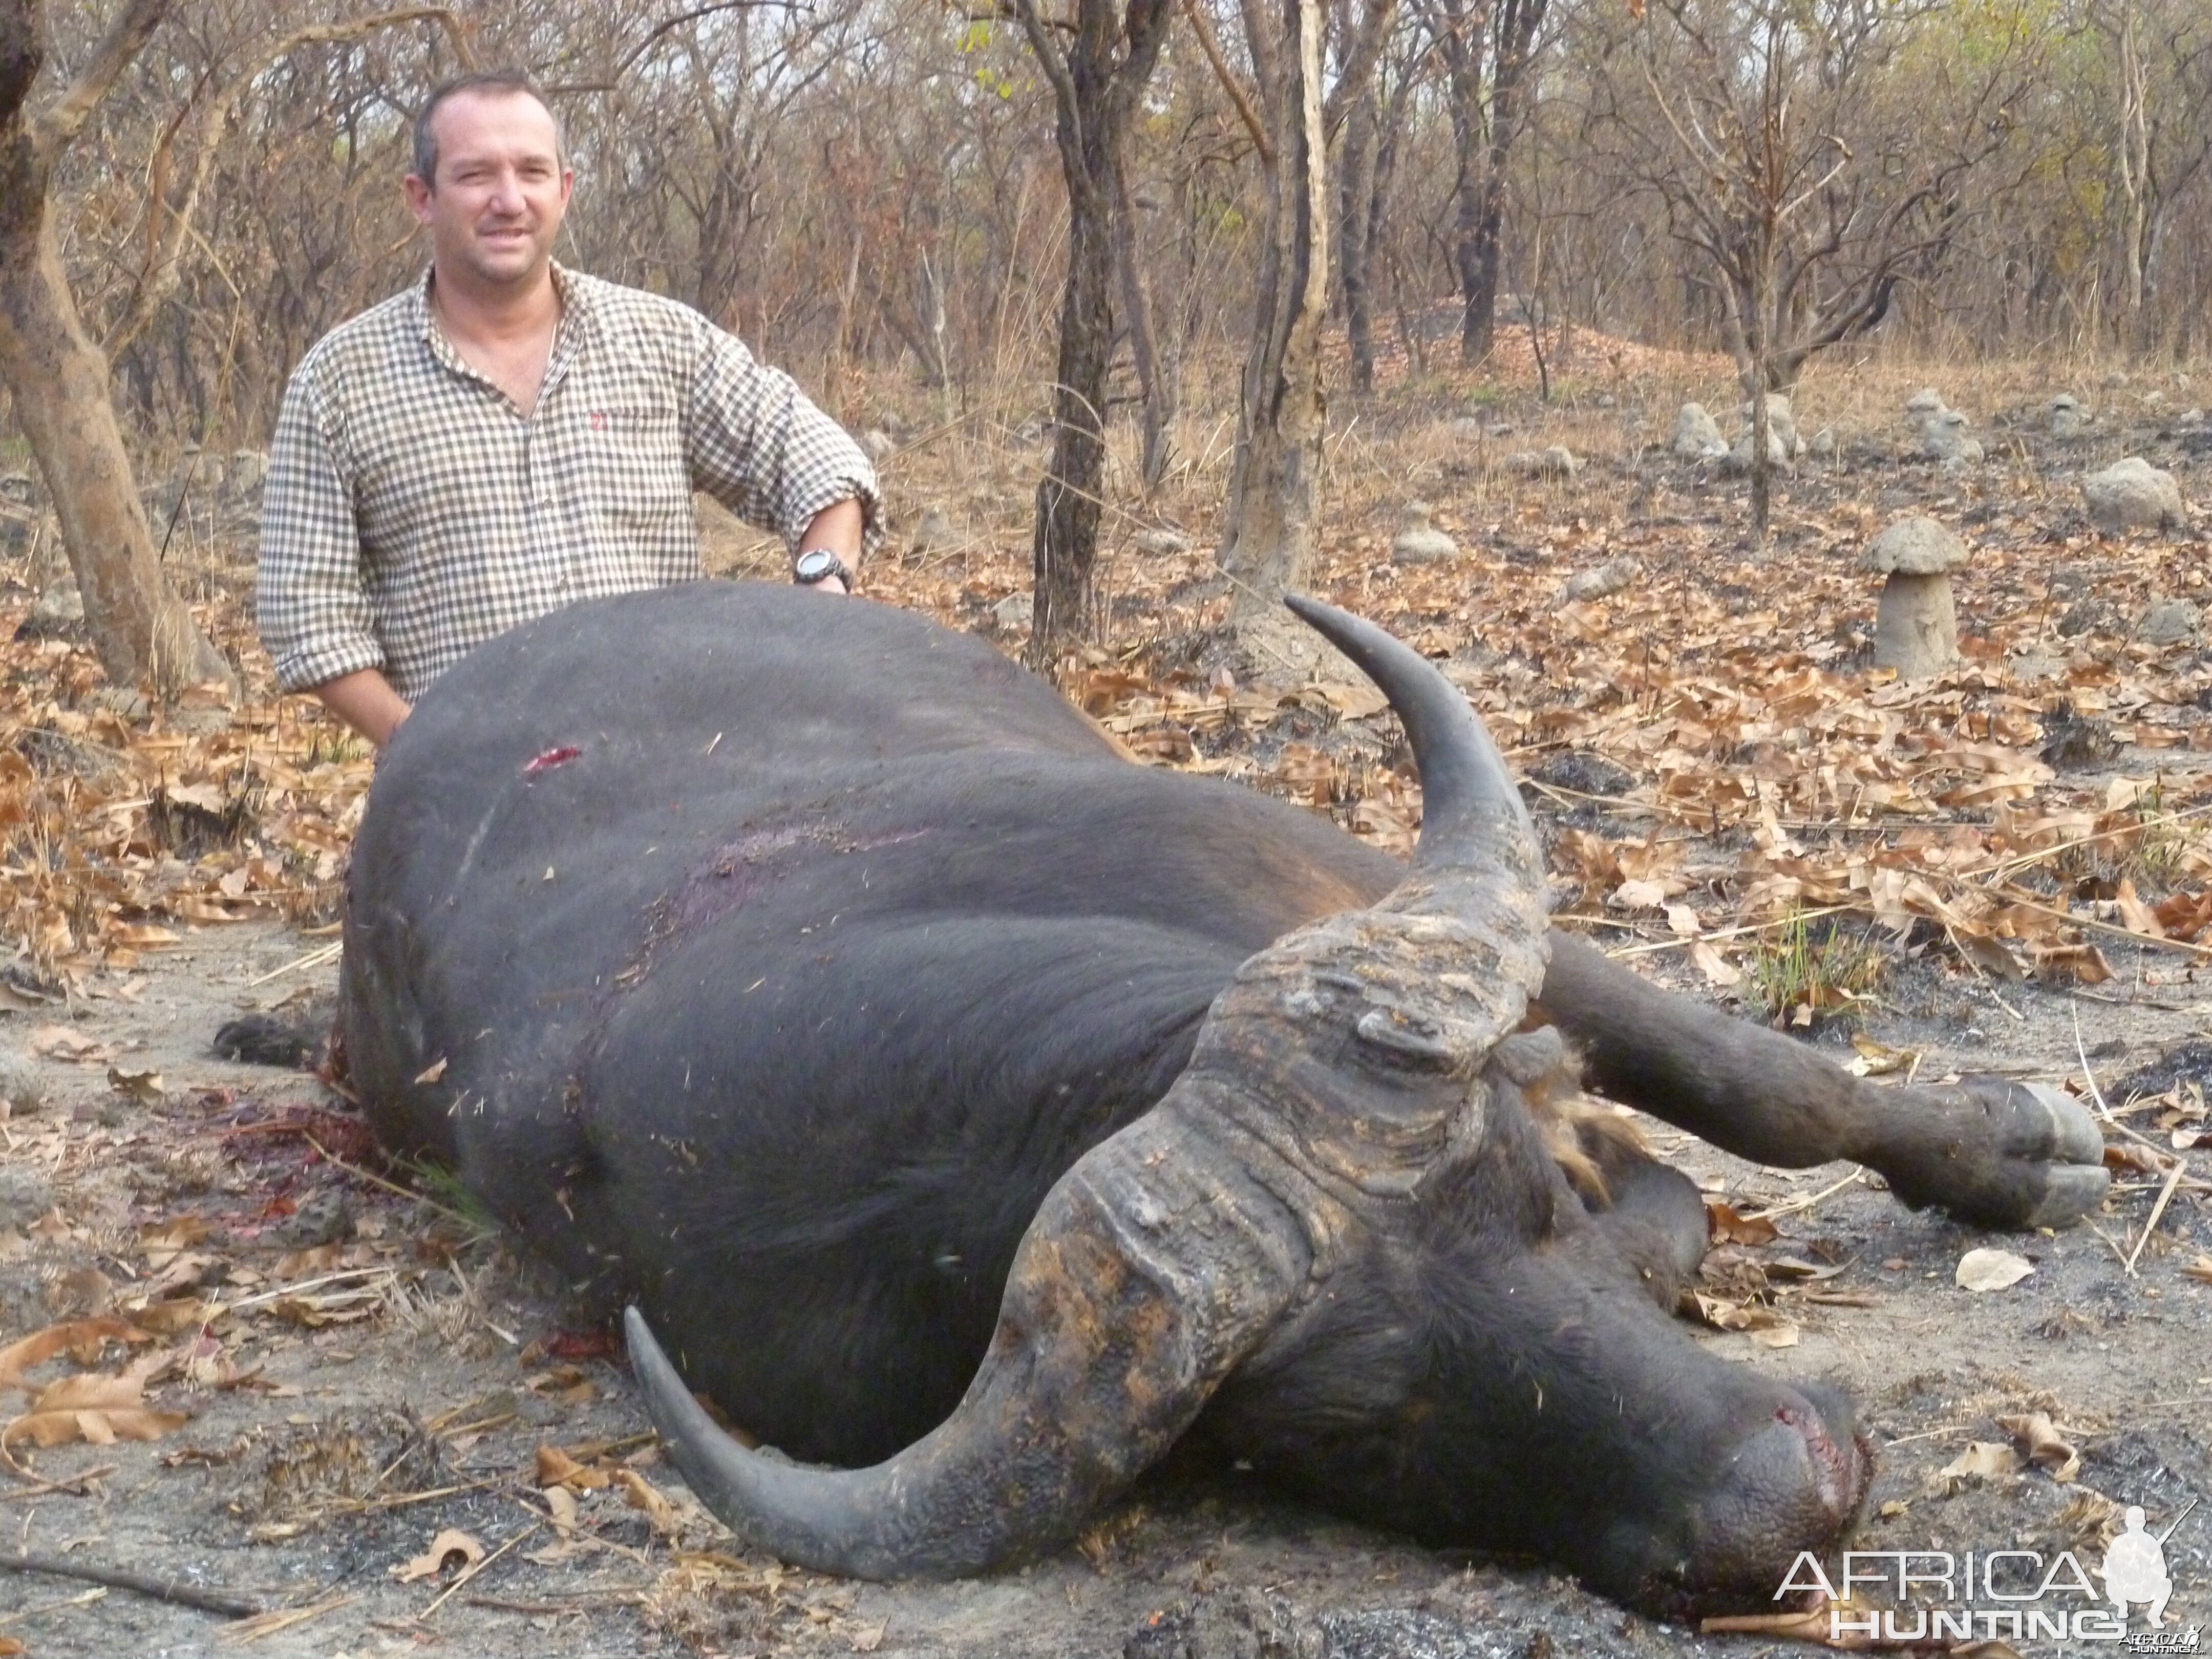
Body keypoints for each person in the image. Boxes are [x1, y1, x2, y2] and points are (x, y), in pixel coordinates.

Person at [256, 70, 879, 749]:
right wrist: (426, 752)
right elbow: (306, 617)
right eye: (475, 176)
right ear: (422, 198)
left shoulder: (659, 341)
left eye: (532, 171)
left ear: (565, 190)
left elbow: (823, 467)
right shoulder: (341, 381)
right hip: (473, 810)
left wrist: (822, 591)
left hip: (672, 780)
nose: (508, 199)